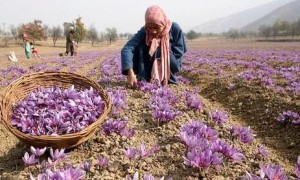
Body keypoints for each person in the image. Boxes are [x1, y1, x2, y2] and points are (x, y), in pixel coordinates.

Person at [121, 5, 187, 87]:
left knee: (158, 48)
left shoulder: (174, 28)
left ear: (163, 23)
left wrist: (162, 50)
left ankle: (164, 77)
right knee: (139, 46)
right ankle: (143, 76)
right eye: (149, 27)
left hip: (171, 63)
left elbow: (179, 52)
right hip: (150, 63)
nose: (153, 31)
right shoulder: (145, 30)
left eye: (157, 27)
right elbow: (127, 48)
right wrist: (130, 71)